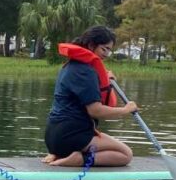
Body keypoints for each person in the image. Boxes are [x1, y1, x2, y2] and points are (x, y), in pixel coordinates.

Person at [43, 25, 137, 167]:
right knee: (125, 155)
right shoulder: (86, 71)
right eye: (103, 48)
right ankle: (79, 159)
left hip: (53, 137)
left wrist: (105, 79)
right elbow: (95, 110)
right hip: (71, 136)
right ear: (91, 45)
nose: (106, 54)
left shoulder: (71, 66)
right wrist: (125, 110)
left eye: (109, 50)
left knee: (114, 148)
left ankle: (62, 153)